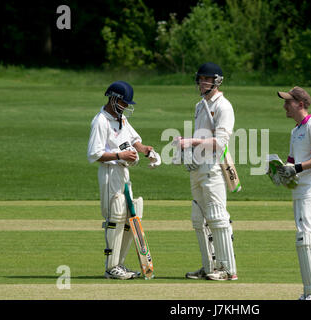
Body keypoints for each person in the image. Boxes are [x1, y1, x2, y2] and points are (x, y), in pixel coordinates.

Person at [87, 80, 161, 279]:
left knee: (129, 217)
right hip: (109, 173)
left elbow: (134, 141)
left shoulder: (121, 120)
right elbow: (94, 154)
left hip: (124, 173)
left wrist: (147, 151)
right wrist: (120, 156)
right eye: (124, 103)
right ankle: (111, 268)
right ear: (113, 99)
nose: (127, 107)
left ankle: (119, 264)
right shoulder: (100, 121)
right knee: (115, 217)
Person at [177, 62, 237, 281]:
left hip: (213, 167)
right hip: (199, 167)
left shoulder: (224, 106)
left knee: (217, 217)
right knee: (198, 218)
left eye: (206, 79)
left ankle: (228, 269)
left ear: (216, 81)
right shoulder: (200, 105)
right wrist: (188, 150)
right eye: (200, 78)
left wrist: (191, 141)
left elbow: (220, 143)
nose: (202, 82)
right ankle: (209, 266)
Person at [276, 86, 311, 300]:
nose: (284, 106)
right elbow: (291, 161)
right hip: (299, 190)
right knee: (306, 240)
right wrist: (279, 171)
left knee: (306, 239)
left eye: (288, 102)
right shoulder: (295, 130)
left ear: (300, 104)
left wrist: (296, 169)